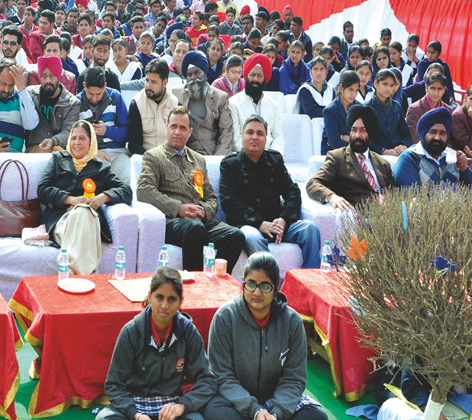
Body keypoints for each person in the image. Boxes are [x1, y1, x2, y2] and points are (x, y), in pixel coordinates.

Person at [203, 253, 328, 420]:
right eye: (251, 284)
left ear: (276, 287)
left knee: (316, 416)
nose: (257, 292)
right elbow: (222, 376)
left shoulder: (292, 322)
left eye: (265, 286)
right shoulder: (225, 318)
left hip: (275, 401)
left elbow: (294, 378)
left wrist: (276, 413)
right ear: (243, 283)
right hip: (237, 400)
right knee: (214, 409)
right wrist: (254, 410)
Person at [98, 267, 215, 420]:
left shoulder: (188, 331)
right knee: (104, 418)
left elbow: (208, 380)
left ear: (181, 301)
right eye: (159, 297)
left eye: (172, 299)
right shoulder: (131, 331)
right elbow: (113, 385)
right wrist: (135, 415)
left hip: (172, 403)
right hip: (134, 402)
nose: (165, 305)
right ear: (149, 297)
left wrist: (182, 405)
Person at [137, 106, 245, 271]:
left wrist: (203, 211)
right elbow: (144, 190)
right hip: (173, 222)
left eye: (182, 128)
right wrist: (178, 208)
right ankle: (195, 285)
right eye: (173, 126)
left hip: (199, 222)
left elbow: (211, 198)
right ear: (167, 127)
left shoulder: (199, 160)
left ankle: (217, 282)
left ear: (190, 132)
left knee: (236, 236)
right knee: (195, 229)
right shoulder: (154, 156)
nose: (177, 132)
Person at [220, 115, 321, 268]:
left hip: (277, 223)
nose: (254, 137)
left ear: (266, 138)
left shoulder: (275, 160)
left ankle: (310, 281)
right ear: (242, 135)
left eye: (260, 133)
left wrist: (284, 218)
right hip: (248, 225)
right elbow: (229, 201)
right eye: (250, 132)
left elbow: (292, 192)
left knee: (310, 229)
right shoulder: (230, 164)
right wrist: (259, 223)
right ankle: (269, 283)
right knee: (251, 237)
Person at [37, 120, 131, 274]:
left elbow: (126, 191)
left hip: (89, 220)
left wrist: (104, 197)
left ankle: (72, 276)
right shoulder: (58, 159)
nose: (77, 143)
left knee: (83, 212)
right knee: (81, 210)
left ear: (91, 142)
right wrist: (71, 200)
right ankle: (86, 278)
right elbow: (42, 190)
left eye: (82, 138)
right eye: (73, 138)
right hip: (61, 220)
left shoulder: (102, 167)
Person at [307, 105, 393, 209]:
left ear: (370, 133)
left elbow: (394, 193)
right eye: (354, 130)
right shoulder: (337, 157)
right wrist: (331, 196)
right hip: (357, 218)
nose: (357, 135)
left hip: (387, 218)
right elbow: (313, 184)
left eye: (363, 130)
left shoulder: (383, 164)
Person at [172, 51, 234, 156]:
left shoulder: (220, 97)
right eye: (189, 75)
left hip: (212, 152)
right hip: (184, 153)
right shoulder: (176, 94)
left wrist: (217, 159)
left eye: (197, 73)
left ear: (204, 73)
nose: (194, 78)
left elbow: (226, 132)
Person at [393, 107, 472, 188]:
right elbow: (412, 197)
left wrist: (464, 169)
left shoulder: (451, 156)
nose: (437, 137)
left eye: (442, 133)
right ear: (423, 134)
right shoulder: (409, 158)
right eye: (432, 132)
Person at [77, 67, 130, 183]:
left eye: (98, 94)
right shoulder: (76, 103)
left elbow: (127, 133)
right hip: (89, 156)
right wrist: (92, 152)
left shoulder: (115, 97)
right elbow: (73, 139)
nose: (95, 98)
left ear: (105, 86)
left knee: (129, 182)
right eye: (91, 94)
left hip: (117, 154)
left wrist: (107, 131)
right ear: (84, 86)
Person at [229, 54, 284, 153]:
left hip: (269, 159)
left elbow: (278, 136)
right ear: (246, 76)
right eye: (252, 75)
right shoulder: (233, 103)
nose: (255, 79)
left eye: (259, 76)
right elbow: (236, 139)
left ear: (264, 79)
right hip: (244, 157)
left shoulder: (273, 105)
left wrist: (274, 157)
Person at [25, 55, 80, 152]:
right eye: (44, 76)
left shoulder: (72, 103)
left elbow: (69, 131)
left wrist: (53, 141)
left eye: (52, 76)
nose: (48, 81)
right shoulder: (30, 95)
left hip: (59, 150)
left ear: (59, 76)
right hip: (33, 150)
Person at [127, 59, 179, 155]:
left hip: (170, 157)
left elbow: (179, 140)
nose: (148, 85)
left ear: (165, 82)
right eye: (147, 80)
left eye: (154, 82)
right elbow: (134, 144)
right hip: (144, 158)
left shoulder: (175, 104)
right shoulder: (137, 103)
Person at [366, 69, 412, 156]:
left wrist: (404, 146)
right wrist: (383, 151)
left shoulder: (396, 106)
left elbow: (405, 133)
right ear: (376, 84)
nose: (388, 88)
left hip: (398, 153)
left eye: (391, 85)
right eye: (385, 84)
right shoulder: (367, 107)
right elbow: (366, 139)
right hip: (376, 156)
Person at [405, 72, 452, 144]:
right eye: (433, 88)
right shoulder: (414, 109)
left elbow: (450, 137)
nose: (436, 93)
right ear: (426, 88)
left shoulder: (448, 110)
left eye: (439, 89)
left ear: (444, 90)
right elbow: (415, 138)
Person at [322, 71, 360, 154]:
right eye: (350, 90)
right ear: (341, 88)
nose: (353, 94)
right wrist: (355, 145)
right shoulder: (330, 110)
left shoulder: (359, 108)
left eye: (356, 90)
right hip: (334, 153)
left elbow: (364, 136)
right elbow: (334, 141)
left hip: (358, 152)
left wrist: (344, 137)